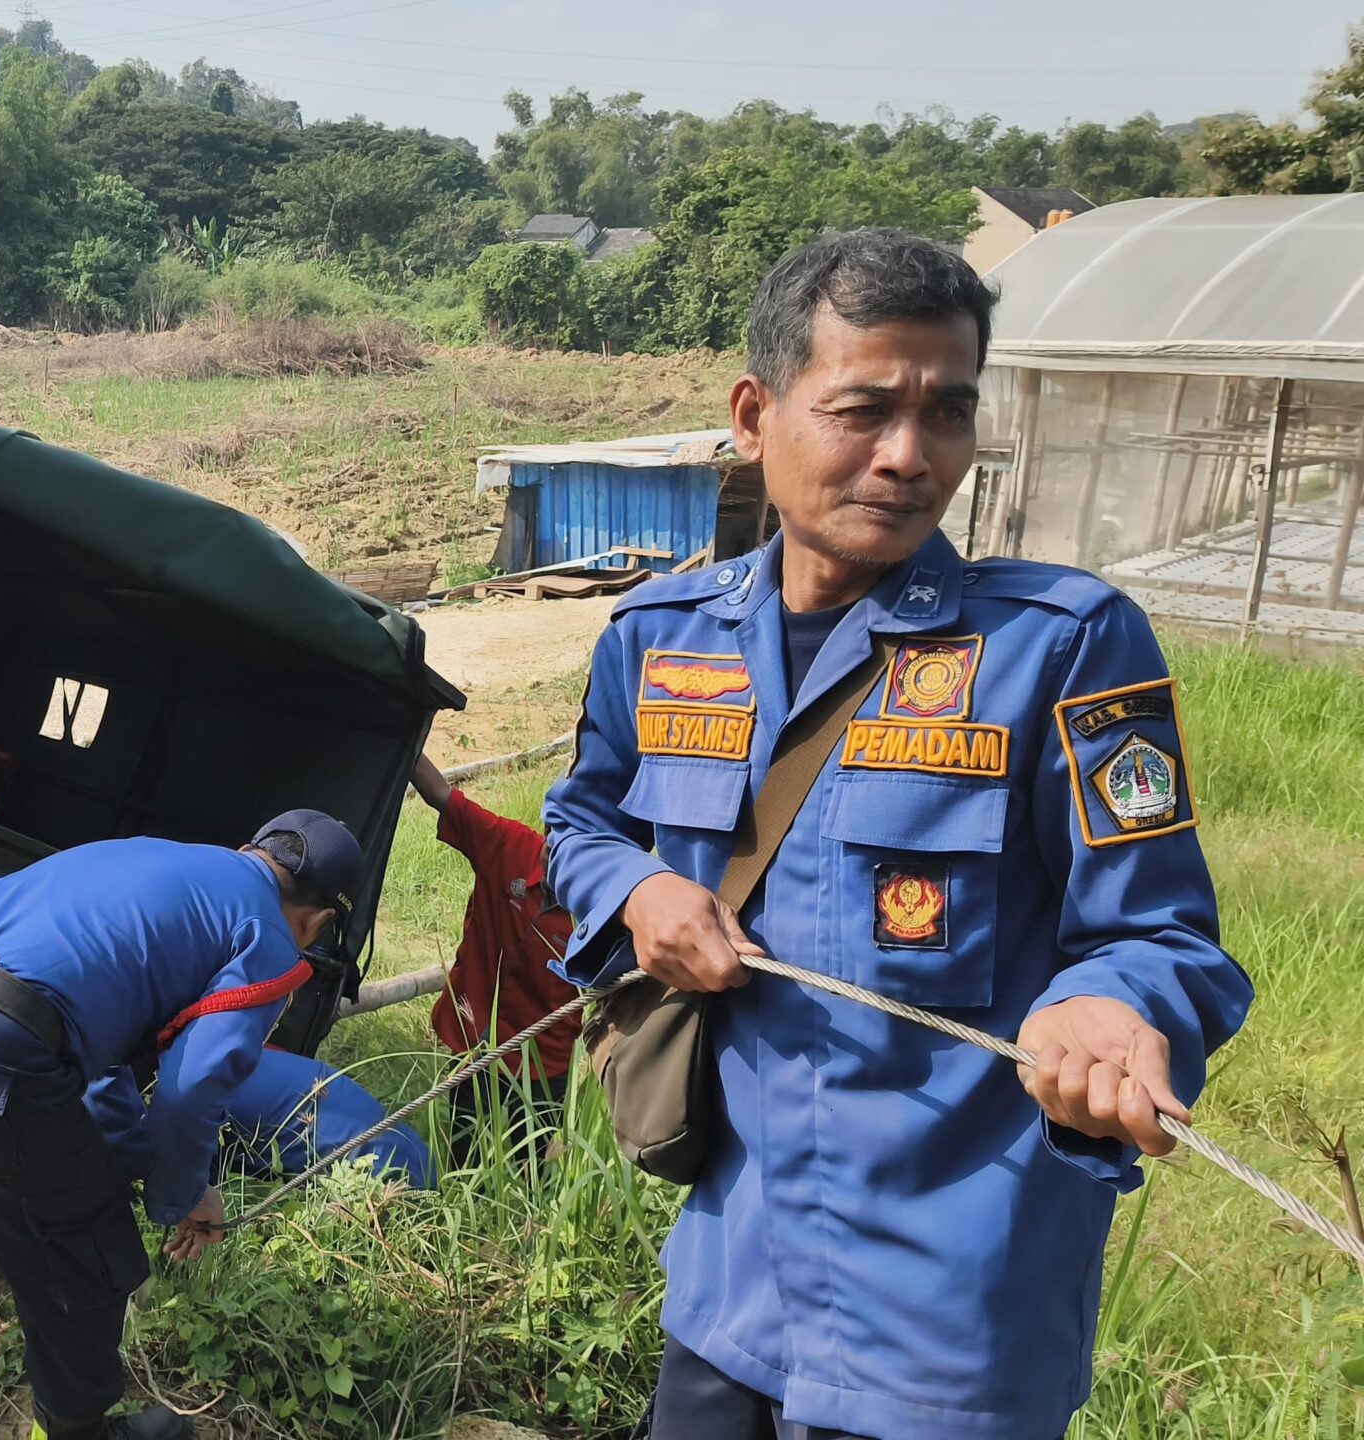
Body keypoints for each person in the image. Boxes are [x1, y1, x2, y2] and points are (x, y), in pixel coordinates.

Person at [541, 230, 1251, 1440]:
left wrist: (1114, 1007)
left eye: (949, 414)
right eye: (863, 409)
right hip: (730, 1274)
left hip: (950, 1310)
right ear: (756, 415)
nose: (910, 457)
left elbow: (1164, 935)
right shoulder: (662, 637)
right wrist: (636, 894)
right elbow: (582, 818)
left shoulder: (1062, 649)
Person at [0, 813, 362, 1440]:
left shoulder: (156, 855)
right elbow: (193, 1087)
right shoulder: (266, 936)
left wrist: (133, 1158)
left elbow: (95, 1050)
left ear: (251, 850)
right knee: (88, 1261)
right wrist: (183, 1196)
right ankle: (74, 1431)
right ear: (317, 921)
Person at [408, 754, 577, 1165]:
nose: (552, 851)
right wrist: (404, 728)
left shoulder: (607, 910)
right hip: (474, 1038)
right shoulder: (509, 846)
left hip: (543, 1062)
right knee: (462, 1154)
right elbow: (440, 795)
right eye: (552, 833)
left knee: (532, 1170)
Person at [85, 1045, 434, 1192]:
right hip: (410, 1154)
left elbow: (186, 1176)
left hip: (387, 1181)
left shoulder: (189, 1098)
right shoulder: (216, 1053)